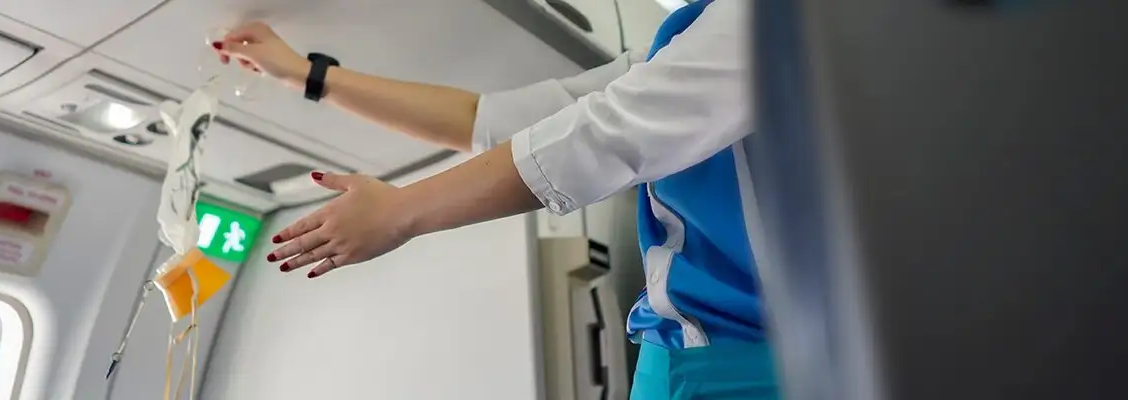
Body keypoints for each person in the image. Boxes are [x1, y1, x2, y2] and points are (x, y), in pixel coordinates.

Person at [214, 0, 773, 398]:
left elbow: (614, 133)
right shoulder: (698, 26)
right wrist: (309, 75)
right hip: (689, 358)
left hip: (745, 365)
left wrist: (402, 212)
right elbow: (489, 121)